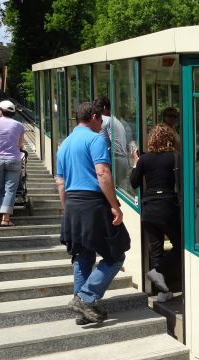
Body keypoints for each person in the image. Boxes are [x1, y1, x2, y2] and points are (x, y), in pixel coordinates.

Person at [57, 101, 130, 324]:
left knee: (83, 255)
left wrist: (66, 210)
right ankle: (86, 298)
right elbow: (103, 173)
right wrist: (115, 206)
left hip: (72, 205)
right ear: (96, 117)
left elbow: (60, 183)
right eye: (102, 120)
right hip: (93, 203)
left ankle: (83, 313)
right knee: (117, 252)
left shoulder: (64, 144)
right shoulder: (95, 139)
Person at [130, 123, 181, 301]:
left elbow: (134, 183)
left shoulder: (144, 159)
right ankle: (158, 271)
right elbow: (180, 184)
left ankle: (162, 292)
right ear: (170, 139)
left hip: (148, 208)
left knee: (156, 250)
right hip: (167, 205)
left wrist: (136, 164)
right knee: (180, 244)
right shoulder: (175, 157)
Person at [0, 100, 26, 226]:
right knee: (10, 190)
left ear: (0, 111)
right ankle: (6, 219)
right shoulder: (19, 125)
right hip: (14, 159)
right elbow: (20, 144)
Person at [94, 96, 131, 164]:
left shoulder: (103, 120)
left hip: (113, 160)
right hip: (124, 159)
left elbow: (101, 145)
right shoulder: (117, 121)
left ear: (104, 108)